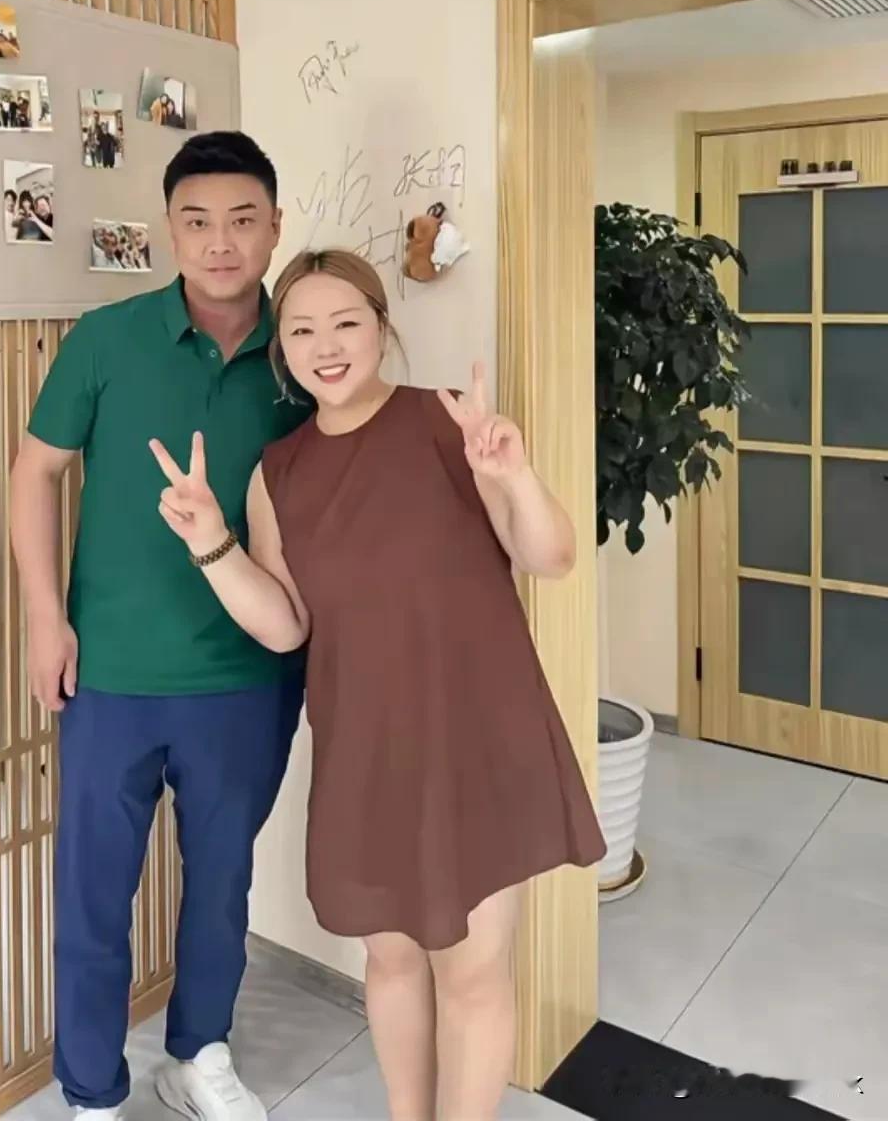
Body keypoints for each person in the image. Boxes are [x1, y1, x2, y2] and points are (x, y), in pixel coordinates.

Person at [150, 249, 606, 1121]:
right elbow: (287, 623)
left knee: (472, 971)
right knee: (391, 961)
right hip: (365, 744)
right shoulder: (277, 472)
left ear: (381, 327)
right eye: (302, 330)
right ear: (281, 350)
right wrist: (211, 543)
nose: (326, 347)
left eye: (346, 323)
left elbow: (550, 558)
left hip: (479, 734)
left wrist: (512, 474)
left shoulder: (447, 422)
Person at [10, 132, 311, 1121]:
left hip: (249, 675)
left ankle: (199, 1054)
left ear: (275, 227)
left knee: (222, 884)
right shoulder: (107, 338)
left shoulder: (303, 352)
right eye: (198, 221)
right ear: (169, 231)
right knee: (94, 892)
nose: (221, 242)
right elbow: (34, 474)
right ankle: (92, 1093)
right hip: (111, 671)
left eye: (243, 220)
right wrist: (45, 619)